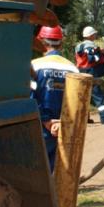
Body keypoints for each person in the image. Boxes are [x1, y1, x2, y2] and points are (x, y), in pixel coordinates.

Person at [31, 25, 78, 171]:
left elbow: (30, 96)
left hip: (39, 126)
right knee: (57, 169)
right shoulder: (72, 68)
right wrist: (61, 121)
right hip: (64, 127)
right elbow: (78, 100)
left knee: (37, 168)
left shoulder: (34, 66)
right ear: (61, 43)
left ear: (39, 41)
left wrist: (46, 121)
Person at [75, 26, 104, 124]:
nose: (95, 35)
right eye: (94, 34)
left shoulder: (79, 46)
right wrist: (100, 53)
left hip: (80, 72)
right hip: (91, 72)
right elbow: (92, 59)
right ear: (90, 36)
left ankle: (84, 119)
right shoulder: (90, 45)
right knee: (98, 96)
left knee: (84, 96)